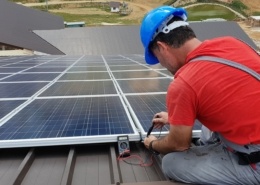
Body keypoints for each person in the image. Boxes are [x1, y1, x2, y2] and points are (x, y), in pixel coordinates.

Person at [140, 5, 260, 185]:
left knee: (171, 163)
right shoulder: (232, 42)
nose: (162, 64)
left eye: (158, 58)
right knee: (205, 130)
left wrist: (152, 144)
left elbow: (179, 144)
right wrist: (174, 118)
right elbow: (225, 97)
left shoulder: (183, 83)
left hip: (255, 160)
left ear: (162, 47)